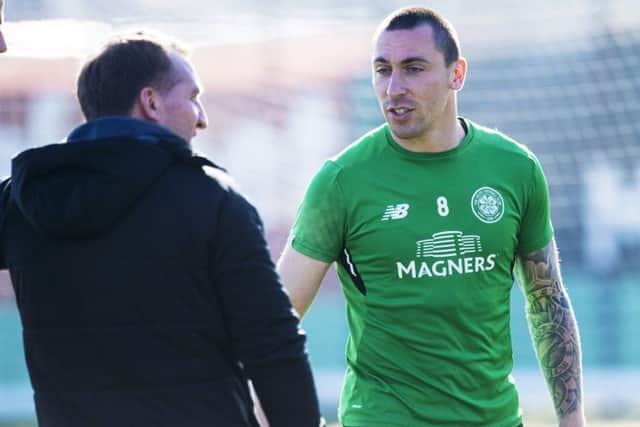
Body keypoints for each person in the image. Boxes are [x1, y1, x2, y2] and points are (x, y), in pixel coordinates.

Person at [277, 6, 585, 427]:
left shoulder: (516, 168)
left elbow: (548, 299)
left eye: (414, 68)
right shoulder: (340, 182)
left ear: (456, 74)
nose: (394, 87)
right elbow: (276, 317)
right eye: (383, 70)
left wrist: (572, 419)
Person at [0, 32, 324, 427]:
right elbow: (273, 345)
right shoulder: (213, 200)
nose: (202, 117)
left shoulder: (20, 201)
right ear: (150, 103)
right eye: (192, 97)